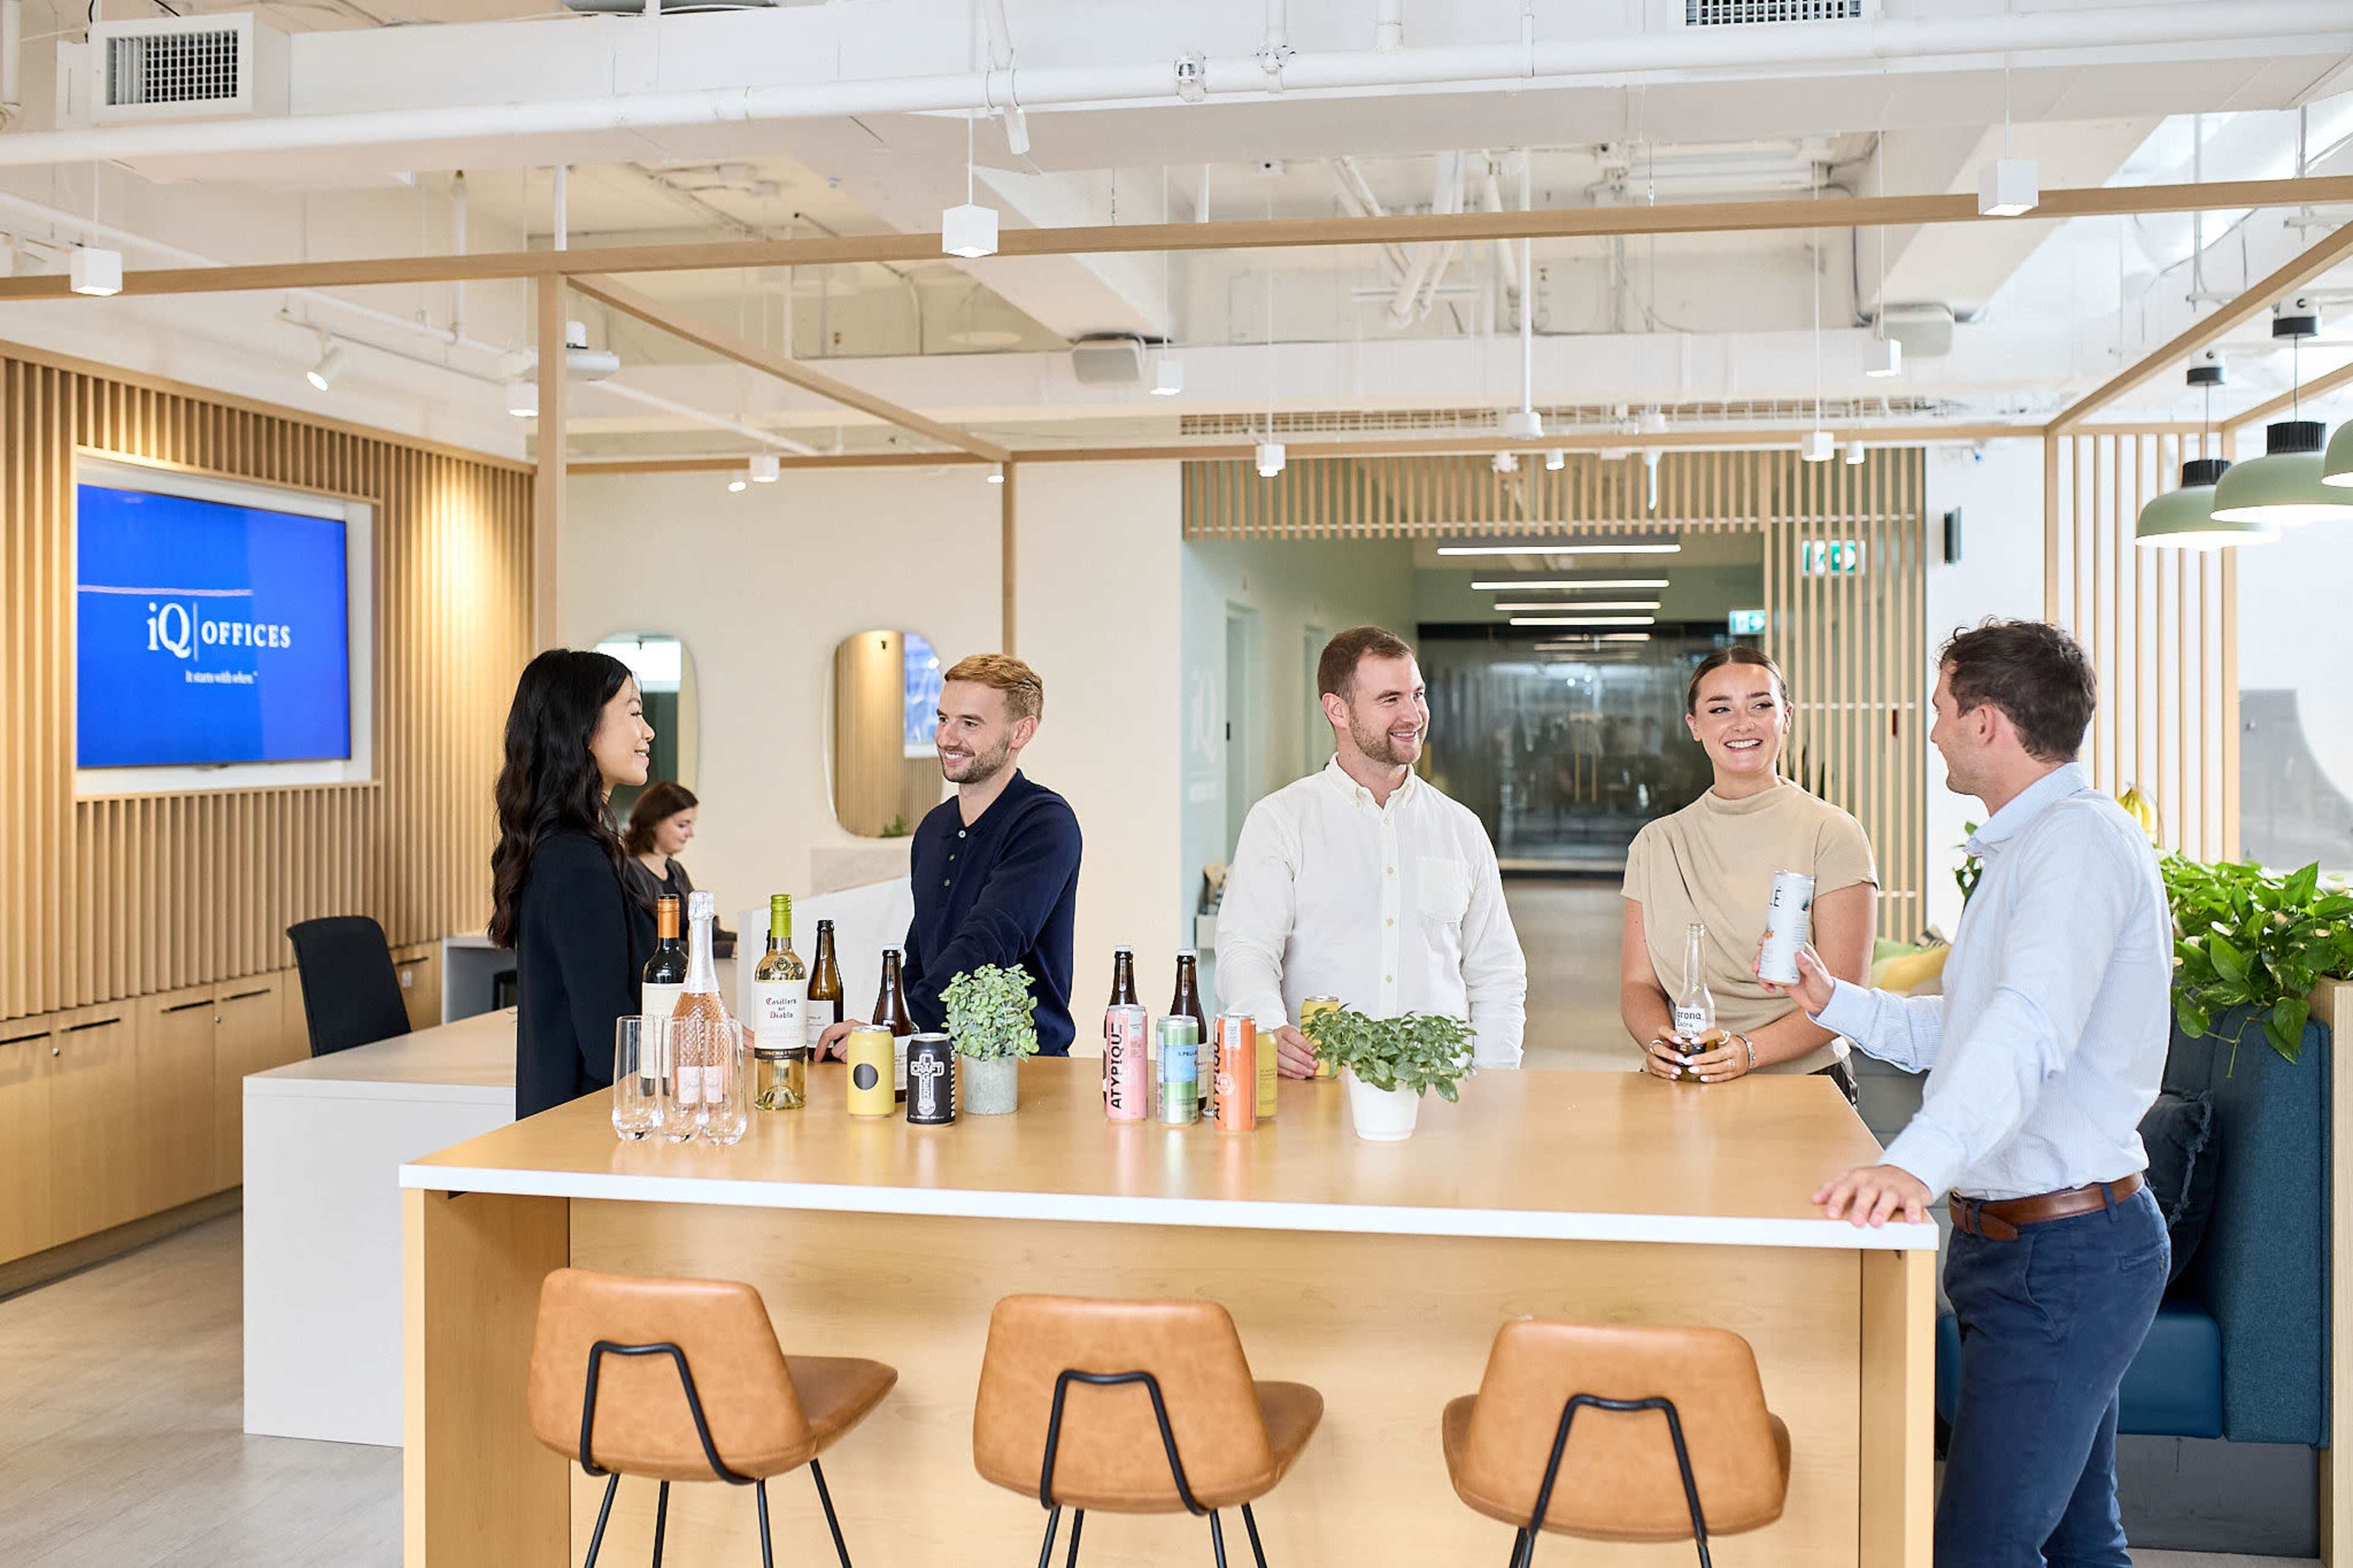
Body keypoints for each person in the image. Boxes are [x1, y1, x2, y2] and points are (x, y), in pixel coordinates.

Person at [1770, 619, 2170, 1568]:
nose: (1935, 727)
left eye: (1945, 708)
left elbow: (2027, 1029)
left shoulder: (2075, 850)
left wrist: (1912, 1162)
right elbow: (1973, 1027)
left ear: (1988, 721)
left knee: (1982, 1548)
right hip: (2041, 1247)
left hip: (2063, 1256)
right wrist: (1842, 1003)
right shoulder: (2032, 848)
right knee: (2081, 1538)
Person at [1218, 626, 1526, 1077]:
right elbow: (1245, 950)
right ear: (1337, 710)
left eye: (1417, 695)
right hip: (1321, 1092)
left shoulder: (1461, 829)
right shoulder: (1281, 822)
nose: (1414, 715)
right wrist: (1268, 1026)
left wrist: (1495, 1086)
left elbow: (1497, 972)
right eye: (1390, 699)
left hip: (1438, 1096)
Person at [1619, 647, 1879, 1104]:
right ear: (1695, 726)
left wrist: (1749, 1051)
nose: (1742, 723)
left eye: (1761, 705)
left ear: (1787, 717)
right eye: (1720, 709)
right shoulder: (1656, 844)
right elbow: (1638, 984)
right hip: (1688, 1082)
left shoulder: (1832, 832)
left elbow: (1845, 995)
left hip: (1807, 1090)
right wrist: (1661, 1044)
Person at [817, 654, 1083, 1057]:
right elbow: (921, 959)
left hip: (1023, 1071)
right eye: (944, 719)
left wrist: (896, 1033)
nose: (946, 737)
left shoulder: (1045, 823)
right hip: (933, 1059)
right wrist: (890, 1029)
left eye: (970, 723)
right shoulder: (933, 829)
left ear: (1021, 732)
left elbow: (988, 941)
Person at [489, 649, 656, 1121]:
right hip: (583, 1139)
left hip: (567, 1131)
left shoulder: (566, 849)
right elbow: (612, 1046)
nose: (647, 732)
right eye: (634, 712)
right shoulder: (575, 862)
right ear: (582, 729)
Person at [622, 781, 735, 956]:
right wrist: (728, 950)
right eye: (682, 825)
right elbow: (654, 944)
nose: (691, 833)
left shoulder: (676, 870)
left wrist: (744, 940)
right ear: (654, 822)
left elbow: (708, 931)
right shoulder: (630, 872)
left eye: (691, 824)